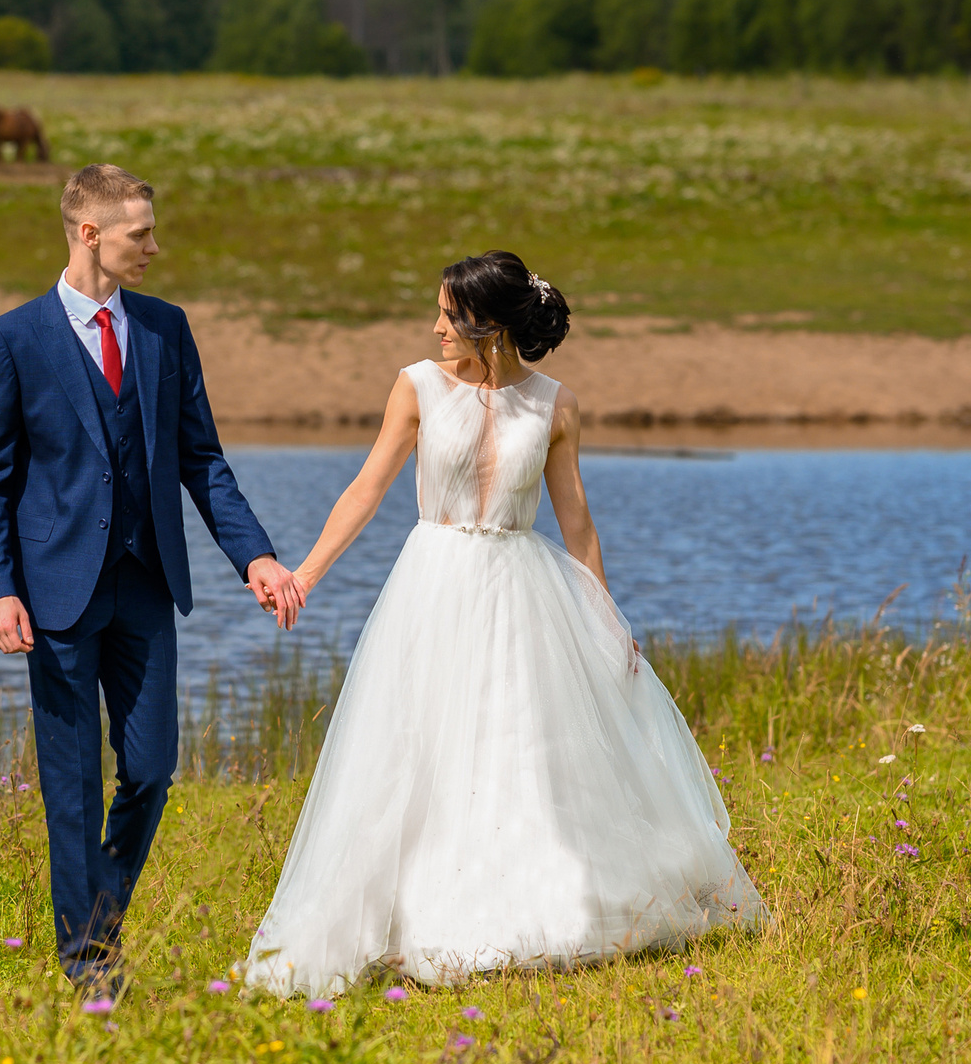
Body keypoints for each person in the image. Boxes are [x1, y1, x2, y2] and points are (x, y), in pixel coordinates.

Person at [241, 250, 768, 996]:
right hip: (433, 585)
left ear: (490, 326)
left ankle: (529, 902)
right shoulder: (417, 385)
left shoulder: (556, 405)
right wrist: (305, 574)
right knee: (420, 744)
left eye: (449, 315)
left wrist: (606, 619)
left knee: (517, 747)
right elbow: (366, 488)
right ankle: (407, 910)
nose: (436, 327)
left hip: (522, 591)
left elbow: (577, 523)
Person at [0, 163, 303, 990]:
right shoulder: (13, 339)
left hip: (147, 586)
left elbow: (201, 460)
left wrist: (254, 554)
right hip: (54, 595)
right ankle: (89, 964)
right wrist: (0, 589)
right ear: (90, 235)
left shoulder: (164, 329)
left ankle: (98, 914)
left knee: (151, 771)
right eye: (139, 233)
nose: (154, 246)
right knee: (73, 784)